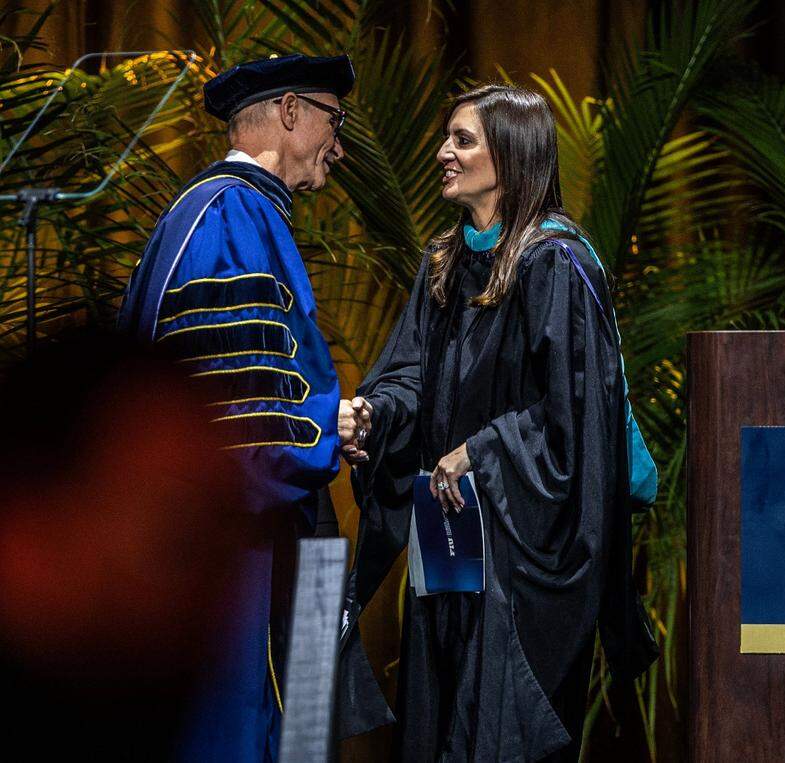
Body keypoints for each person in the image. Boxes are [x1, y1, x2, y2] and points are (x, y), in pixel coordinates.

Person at [338, 84, 658, 761]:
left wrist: (480, 451)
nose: (441, 154)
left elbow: (578, 424)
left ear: (511, 157)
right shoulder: (445, 265)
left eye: (462, 140)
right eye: (446, 138)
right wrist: (377, 410)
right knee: (440, 711)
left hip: (521, 556)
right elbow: (409, 375)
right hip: (450, 541)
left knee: (498, 731)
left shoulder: (558, 264)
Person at [117, 53, 385, 761]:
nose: (340, 142)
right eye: (335, 119)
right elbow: (236, 415)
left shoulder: (208, 210)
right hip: (230, 556)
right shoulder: (233, 217)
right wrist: (326, 425)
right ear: (292, 113)